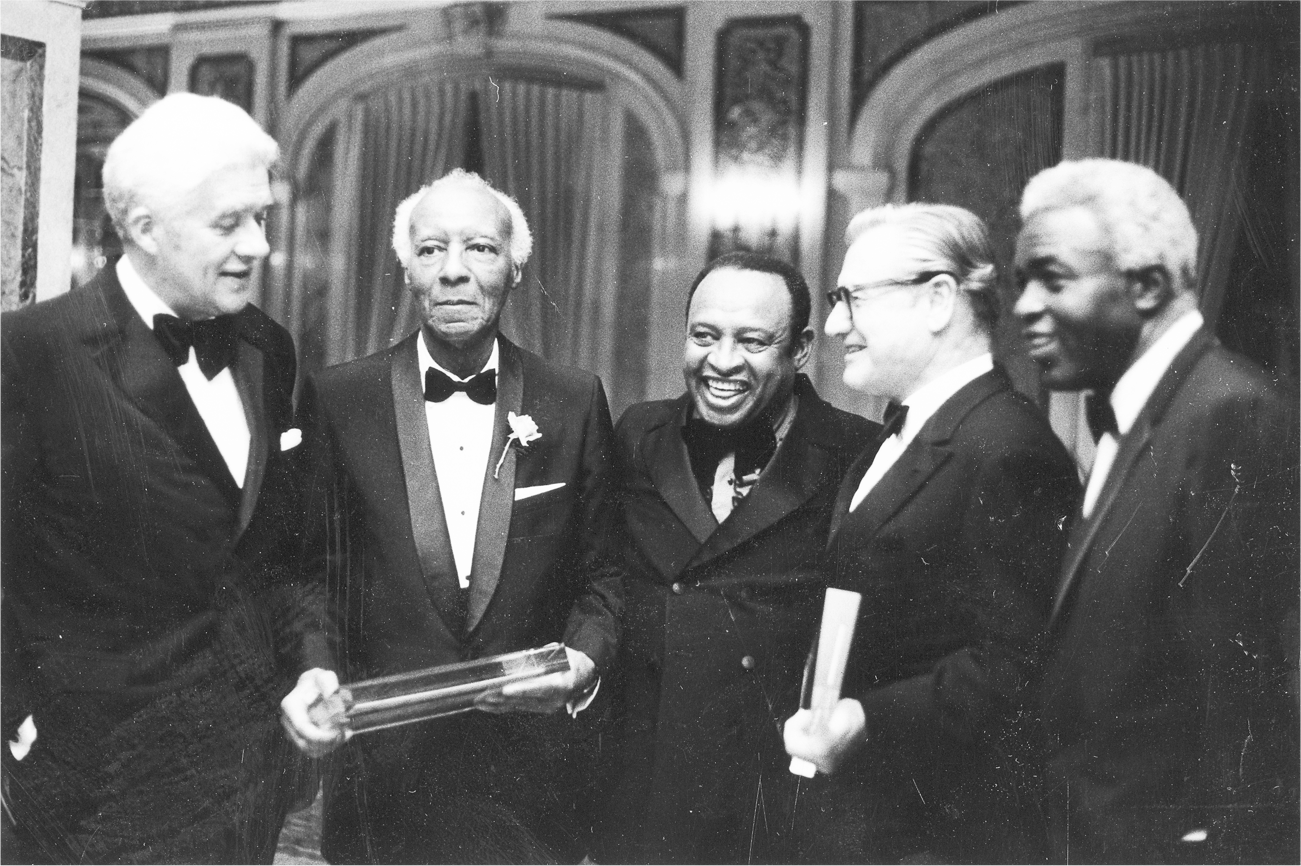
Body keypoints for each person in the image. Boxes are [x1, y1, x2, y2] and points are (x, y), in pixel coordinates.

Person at [1, 93, 320, 863]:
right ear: (144, 228)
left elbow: (280, 550)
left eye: (262, 218)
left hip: (251, 770)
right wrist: (17, 721)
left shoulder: (267, 346)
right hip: (95, 783)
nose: (259, 246)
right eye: (229, 223)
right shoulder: (31, 351)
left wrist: (313, 664)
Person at [278, 169, 624, 864]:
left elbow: (607, 574)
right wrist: (314, 669)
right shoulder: (339, 399)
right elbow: (307, 574)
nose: (454, 271)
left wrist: (581, 662)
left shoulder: (573, 399)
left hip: (531, 782)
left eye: (480, 249)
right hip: (381, 778)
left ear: (515, 269)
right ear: (407, 271)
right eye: (431, 250)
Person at [1012, 158, 1299, 863]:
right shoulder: (1153, 414)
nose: (1022, 307)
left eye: (1052, 279)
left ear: (1146, 286)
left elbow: (1256, 694)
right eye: (1021, 283)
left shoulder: (1232, 414)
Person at [783, 204, 1079, 863]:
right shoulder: (904, 433)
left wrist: (867, 720)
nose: (833, 325)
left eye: (852, 299)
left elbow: (1019, 665)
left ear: (938, 299)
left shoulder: (1007, 448)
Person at [594, 252, 875, 863]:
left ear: (801, 350)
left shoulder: (857, 451)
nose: (722, 361)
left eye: (752, 341)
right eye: (704, 336)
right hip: (644, 802)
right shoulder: (638, 433)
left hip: (771, 810)